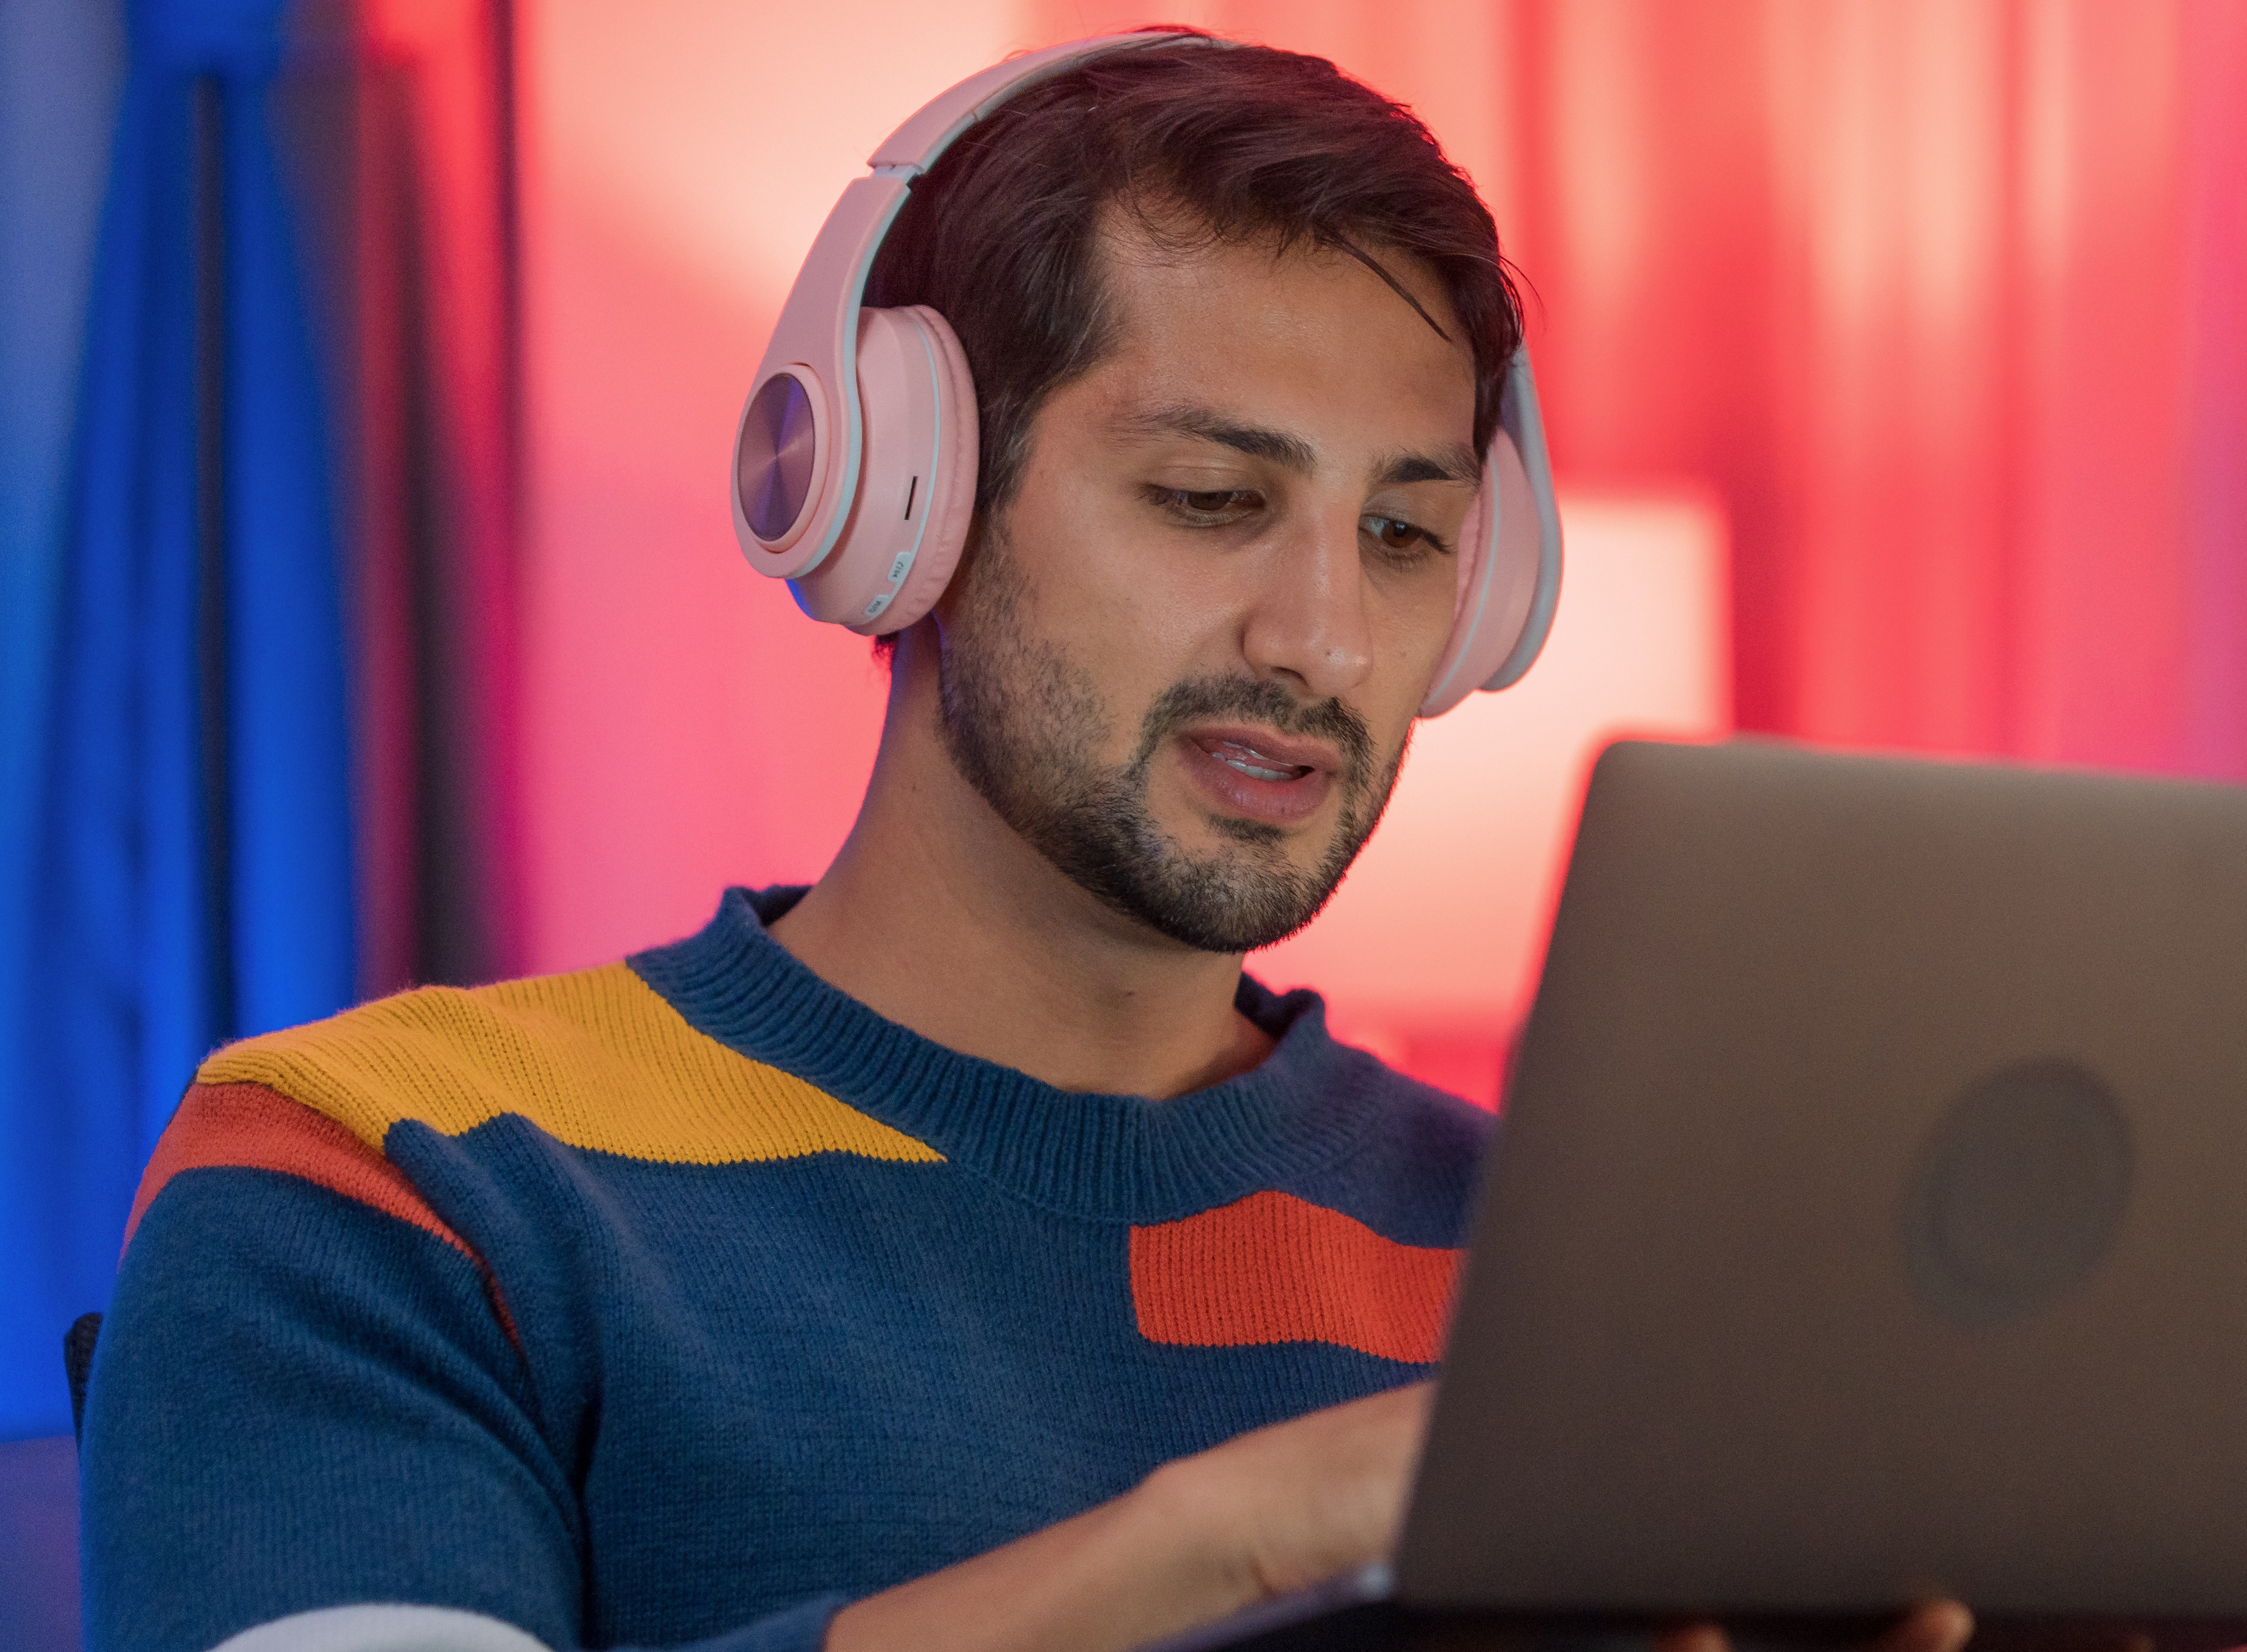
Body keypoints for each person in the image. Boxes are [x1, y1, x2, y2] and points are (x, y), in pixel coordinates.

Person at [77, 35, 1968, 1652]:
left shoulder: (1578, 1277)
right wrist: (1240, 1548)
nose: (1322, 640)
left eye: (1406, 538)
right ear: (901, 500)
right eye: (1211, 498)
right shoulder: (392, 1178)